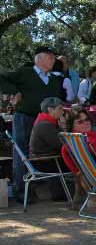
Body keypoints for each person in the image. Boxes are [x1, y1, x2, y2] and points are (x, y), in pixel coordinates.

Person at [0, 46, 62, 200]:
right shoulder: (25, 72)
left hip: (46, 120)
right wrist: (15, 91)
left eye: (54, 58)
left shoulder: (54, 79)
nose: (53, 60)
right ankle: (21, 192)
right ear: (39, 58)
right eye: (50, 57)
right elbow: (2, 77)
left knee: (50, 150)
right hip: (25, 117)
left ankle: (54, 190)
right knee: (21, 152)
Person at [28, 97, 72, 201]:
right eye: (60, 108)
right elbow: (61, 145)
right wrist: (64, 127)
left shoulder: (46, 121)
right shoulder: (45, 124)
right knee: (80, 162)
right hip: (45, 162)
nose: (63, 111)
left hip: (46, 159)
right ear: (50, 110)